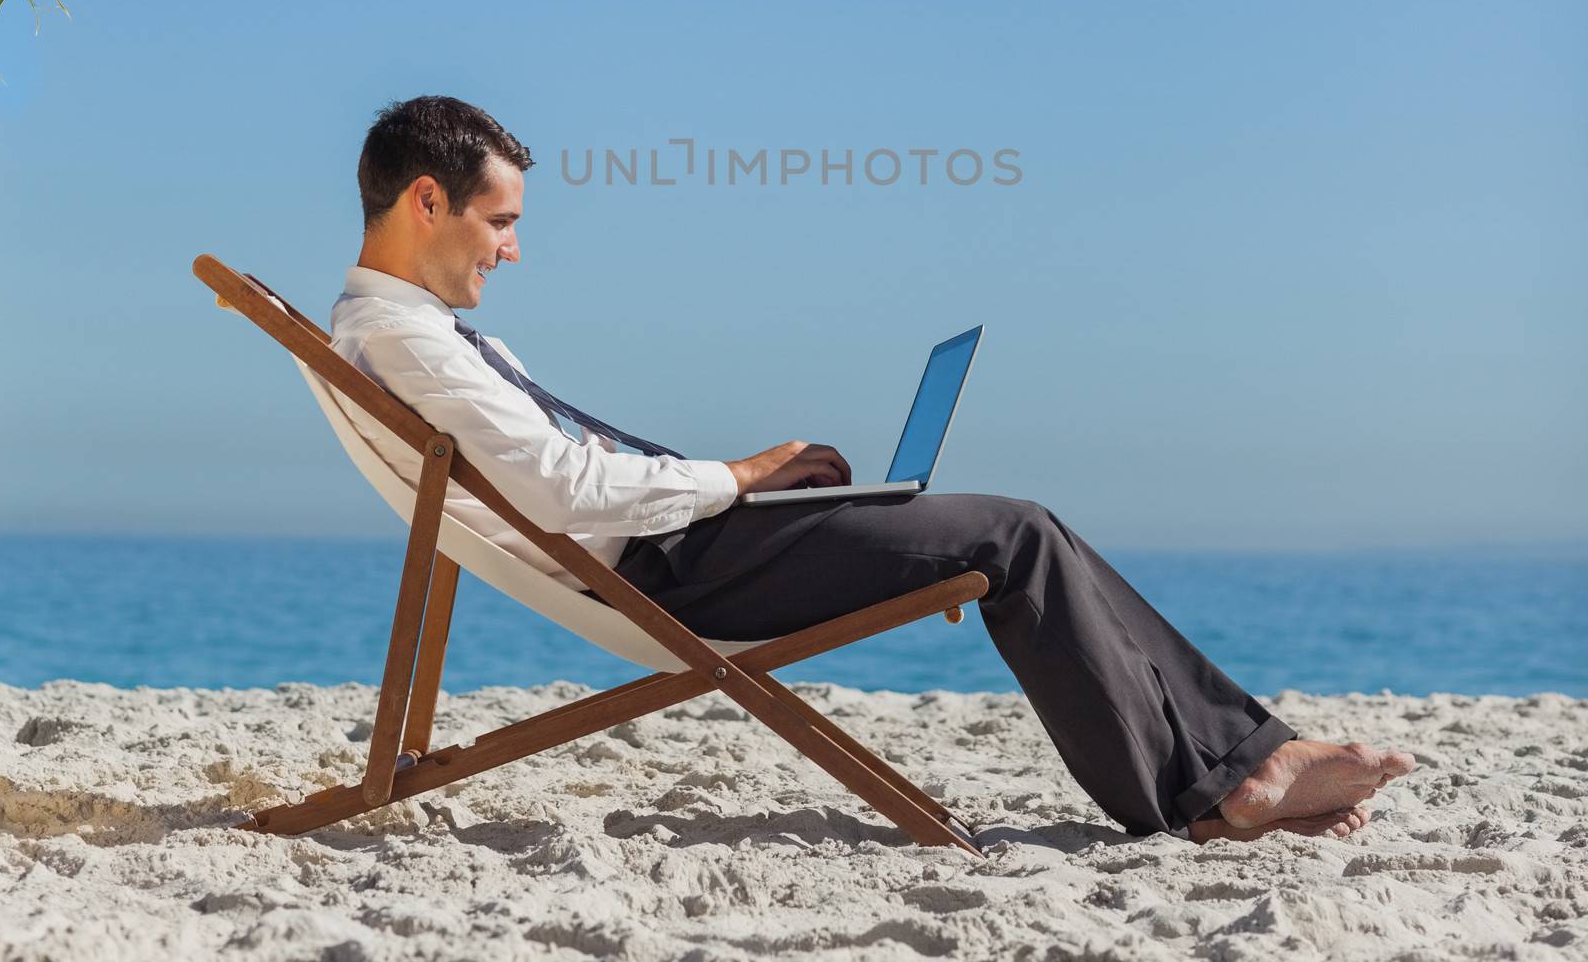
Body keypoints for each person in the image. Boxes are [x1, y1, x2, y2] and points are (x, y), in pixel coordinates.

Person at [332, 95, 1415, 844]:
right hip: (678, 567)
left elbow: (555, 476)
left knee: (984, 525)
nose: (511, 249)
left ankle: (1240, 763)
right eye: (500, 220)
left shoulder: (406, 333)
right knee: (1013, 535)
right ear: (428, 199)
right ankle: (1217, 785)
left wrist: (770, 488)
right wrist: (738, 475)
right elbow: (565, 491)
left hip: (689, 543)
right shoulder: (412, 342)